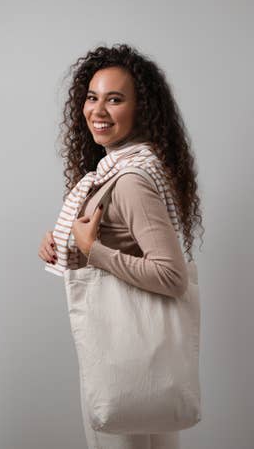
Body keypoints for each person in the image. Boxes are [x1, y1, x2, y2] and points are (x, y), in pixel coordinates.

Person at [38, 44, 203, 449]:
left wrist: (92, 250)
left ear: (140, 109)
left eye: (115, 99)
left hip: (120, 355)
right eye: (92, 97)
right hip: (144, 358)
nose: (98, 110)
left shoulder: (129, 179)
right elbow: (123, 241)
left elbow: (171, 275)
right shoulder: (128, 168)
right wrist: (63, 242)